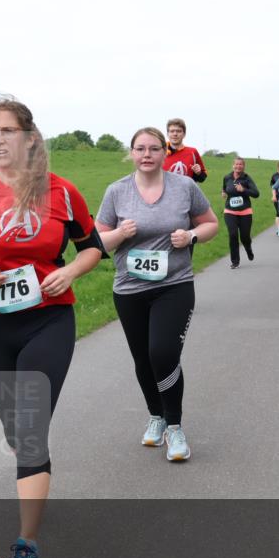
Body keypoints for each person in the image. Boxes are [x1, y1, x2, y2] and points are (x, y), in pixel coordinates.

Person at [0, 98, 103, 558]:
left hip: (49, 320)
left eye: (7, 130)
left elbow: (93, 246)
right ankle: (28, 463)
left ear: (29, 138)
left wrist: (70, 271)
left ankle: (26, 545)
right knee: (15, 429)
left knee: (30, 428)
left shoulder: (62, 192)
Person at [95, 127, 219, 462]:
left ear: (165, 153)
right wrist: (120, 233)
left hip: (174, 286)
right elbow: (97, 242)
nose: (147, 154)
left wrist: (191, 235)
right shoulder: (117, 191)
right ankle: (156, 416)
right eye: (140, 149)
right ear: (131, 153)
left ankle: (175, 427)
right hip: (129, 289)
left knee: (162, 353)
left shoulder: (185, 187)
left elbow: (211, 224)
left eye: (154, 148)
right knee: (143, 359)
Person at [221, 157, 260, 269]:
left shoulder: (247, 179)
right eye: (236, 164)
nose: (238, 166)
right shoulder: (227, 177)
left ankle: (248, 248)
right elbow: (224, 188)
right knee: (233, 235)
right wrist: (223, 192)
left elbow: (256, 194)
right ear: (233, 165)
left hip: (245, 212)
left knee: (245, 237)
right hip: (229, 211)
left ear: (244, 166)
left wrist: (244, 190)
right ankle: (235, 261)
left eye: (241, 164)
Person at [163, 118, 208, 183]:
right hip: (165, 192)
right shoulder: (160, 153)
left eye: (178, 131)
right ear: (167, 134)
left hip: (187, 192)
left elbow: (202, 178)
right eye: (172, 131)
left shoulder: (193, 152)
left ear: (184, 134)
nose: (175, 134)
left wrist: (198, 173)